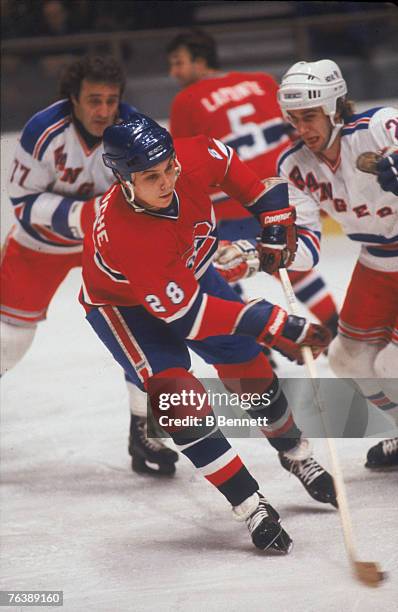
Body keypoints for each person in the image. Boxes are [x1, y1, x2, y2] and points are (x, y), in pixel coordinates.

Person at [79, 112, 337, 551]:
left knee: (249, 369)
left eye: (170, 168)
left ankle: (296, 453)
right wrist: (271, 322)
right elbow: (189, 318)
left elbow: (244, 178)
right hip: (127, 310)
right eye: (151, 177)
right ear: (123, 181)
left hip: (191, 276)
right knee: (180, 400)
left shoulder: (192, 155)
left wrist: (273, 221)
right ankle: (249, 503)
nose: (167, 182)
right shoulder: (127, 235)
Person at [0, 54, 178, 477]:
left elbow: (157, 191)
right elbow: (24, 204)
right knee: (10, 338)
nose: (103, 111)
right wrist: (88, 214)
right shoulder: (44, 131)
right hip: (40, 244)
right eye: (93, 100)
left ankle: (145, 429)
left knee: (146, 328)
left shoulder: (136, 129)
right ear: (73, 100)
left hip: (108, 246)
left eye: (111, 101)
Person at [222, 59, 397, 468]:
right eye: (294, 119)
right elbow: (304, 247)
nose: (302, 129)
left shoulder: (380, 127)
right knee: (346, 359)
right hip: (376, 262)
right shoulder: (294, 166)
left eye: (310, 117)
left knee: (391, 363)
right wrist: (255, 256)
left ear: (335, 107)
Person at [167, 29, 339, 338]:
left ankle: (256, 341)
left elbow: (182, 162)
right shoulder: (261, 81)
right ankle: (335, 326)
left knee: (215, 276)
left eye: (179, 62)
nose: (173, 72)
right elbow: (293, 130)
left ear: (200, 60)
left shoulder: (186, 100)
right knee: (288, 262)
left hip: (234, 201)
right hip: (279, 192)